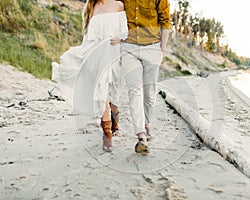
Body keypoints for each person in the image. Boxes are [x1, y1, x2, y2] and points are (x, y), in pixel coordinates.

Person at [51, 0, 128, 152]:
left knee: (114, 91)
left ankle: (115, 121)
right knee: (102, 90)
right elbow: (88, 38)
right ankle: (107, 134)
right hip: (95, 54)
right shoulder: (92, 7)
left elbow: (124, 33)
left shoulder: (119, 5)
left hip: (115, 52)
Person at [110, 0, 171, 155]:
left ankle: (147, 123)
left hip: (152, 47)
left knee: (149, 92)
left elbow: (165, 22)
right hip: (129, 47)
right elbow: (115, 13)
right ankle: (141, 136)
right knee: (134, 91)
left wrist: (162, 50)